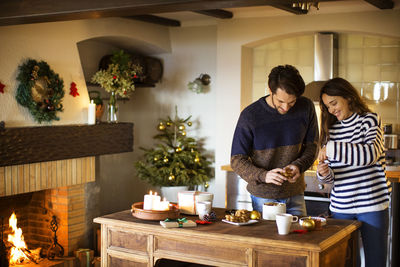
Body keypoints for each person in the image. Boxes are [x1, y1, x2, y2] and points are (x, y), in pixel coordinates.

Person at [316, 77, 390, 267]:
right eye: (327, 106)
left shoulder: (370, 120)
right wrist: (324, 173)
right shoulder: (330, 129)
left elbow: (369, 155)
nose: (331, 110)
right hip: (342, 208)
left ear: (348, 97)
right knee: (344, 262)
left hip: (372, 205)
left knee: (376, 262)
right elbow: (333, 176)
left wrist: (331, 148)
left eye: (334, 103)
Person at [230, 64, 319, 216]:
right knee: (269, 240)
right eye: (281, 101)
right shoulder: (250, 115)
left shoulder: (306, 107)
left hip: (295, 194)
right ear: (270, 90)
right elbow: (237, 160)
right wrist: (264, 175)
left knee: (300, 239)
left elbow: (313, 146)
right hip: (263, 197)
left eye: (292, 102)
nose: (286, 107)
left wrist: (298, 166)